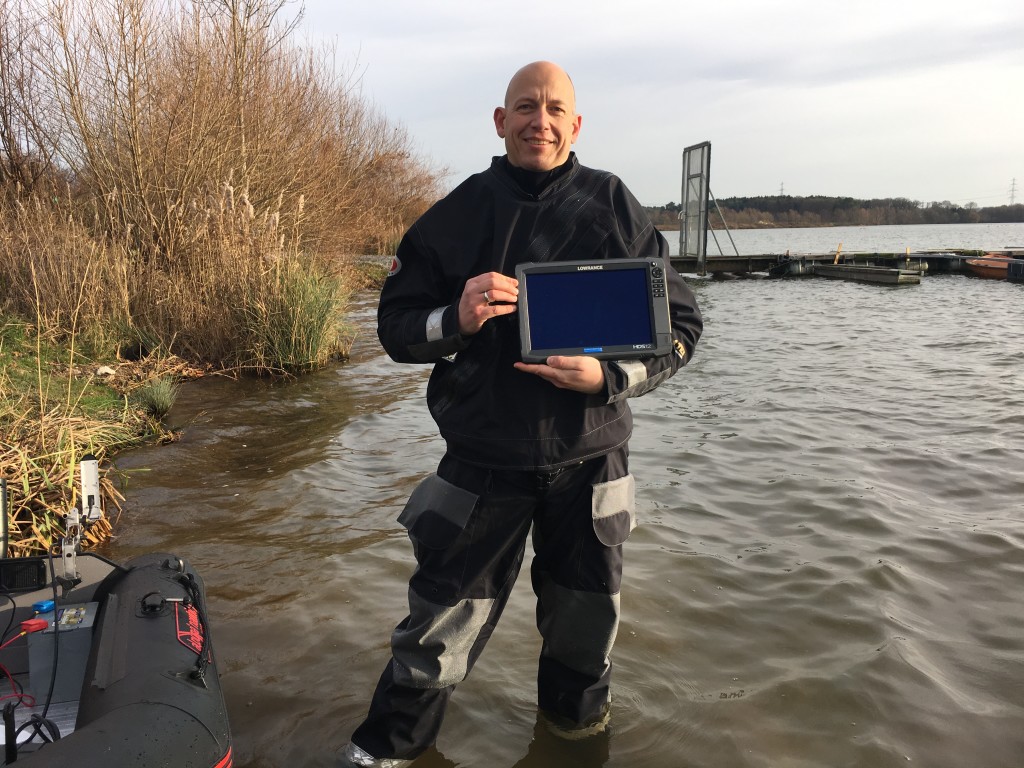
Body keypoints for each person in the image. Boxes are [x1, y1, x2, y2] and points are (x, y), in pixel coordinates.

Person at [338, 61, 703, 768]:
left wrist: (606, 375)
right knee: (435, 634)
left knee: (585, 635)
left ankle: (569, 749)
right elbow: (394, 329)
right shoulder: (456, 215)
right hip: (483, 464)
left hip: (591, 461)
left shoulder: (615, 208)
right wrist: (456, 317)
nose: (541, 119)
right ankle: (384, 754)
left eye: (555, 108)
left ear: (576, 123)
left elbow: (681, 328)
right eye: (526, 107)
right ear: (500, 121)